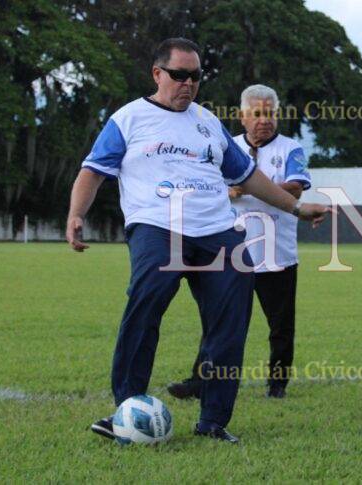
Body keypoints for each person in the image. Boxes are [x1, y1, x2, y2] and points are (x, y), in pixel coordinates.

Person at [66, 38, 327, 444]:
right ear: (157, 74)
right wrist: (76, 214)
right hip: (157, 226)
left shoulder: (208, 122)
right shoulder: (128, 119)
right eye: (179, 75)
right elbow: (93, 171)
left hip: (219, 231)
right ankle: (126, 410)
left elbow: (248, 177)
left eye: (195, 76)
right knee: (145, 302)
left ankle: (213, 421)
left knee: (230, 324)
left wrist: (296, 208)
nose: (188, 83)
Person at [167, 84, 311, 400]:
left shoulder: (291, 149)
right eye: (257, 114)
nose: (265, 120)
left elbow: (297, 187)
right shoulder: (224, 146)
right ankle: (199, 381)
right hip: (231, 252)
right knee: (218, 322)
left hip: (277, 253)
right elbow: (207, 185)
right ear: (242, 116)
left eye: (270, 114)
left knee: (281, 327)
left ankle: (277, 385)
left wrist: (247, 188)